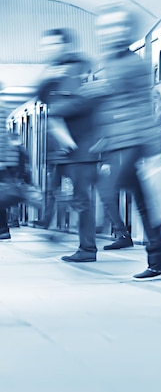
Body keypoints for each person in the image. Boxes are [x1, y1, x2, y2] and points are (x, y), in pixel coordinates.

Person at [82, 3, 161, 280]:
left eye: (116, 26)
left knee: (108, 189)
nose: (110, 32)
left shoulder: (131, 64)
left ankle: (133, 242)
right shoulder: (108, 61)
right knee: (144, 201)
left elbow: (128, 101)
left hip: (133, 140)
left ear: (126, 30)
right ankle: (159, 258)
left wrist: (91, 90)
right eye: (105, 27)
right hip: (121, 141)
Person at [35, 28, 100, 263]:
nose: (46, 50)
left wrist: (58, 113)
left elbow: (80, 101)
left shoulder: (77, 67)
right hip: (67, 149)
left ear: (65, 45)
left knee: (83, 200)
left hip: (80, 145)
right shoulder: (58, 69)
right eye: (45, 45)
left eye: (51, 45)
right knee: (69, 196)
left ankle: (87, 249)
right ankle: (69, 236)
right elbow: (42, 96)